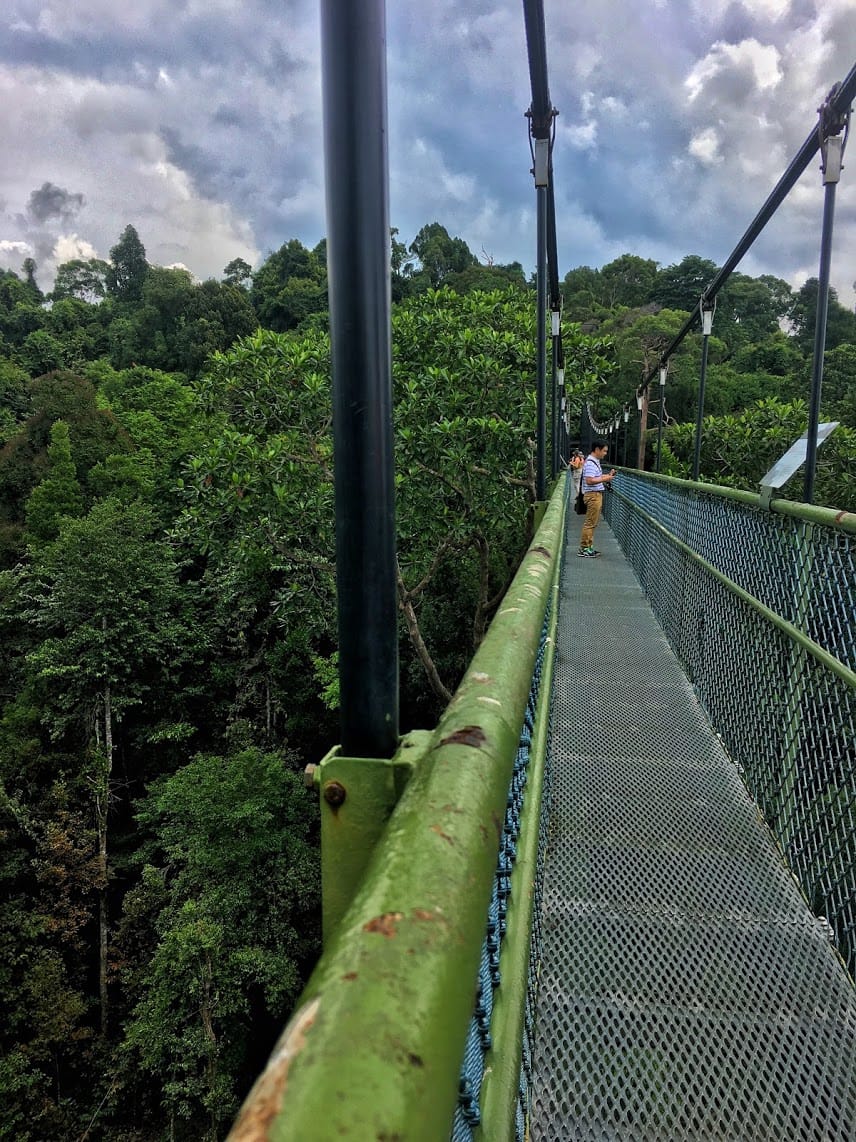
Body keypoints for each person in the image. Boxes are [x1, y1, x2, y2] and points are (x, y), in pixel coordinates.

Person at [578, 439, 616, 557]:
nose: (605, 453)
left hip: (595, 494)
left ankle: (589, 546)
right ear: (597, 450)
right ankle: (585, 548)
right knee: (590, 523)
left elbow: (596, 477)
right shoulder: (590, 463)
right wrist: (606, 479)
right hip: (593, 495)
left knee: (592, 522)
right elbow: (590, 480)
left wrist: (607, 476)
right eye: (604, 451)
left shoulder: (594, 462)